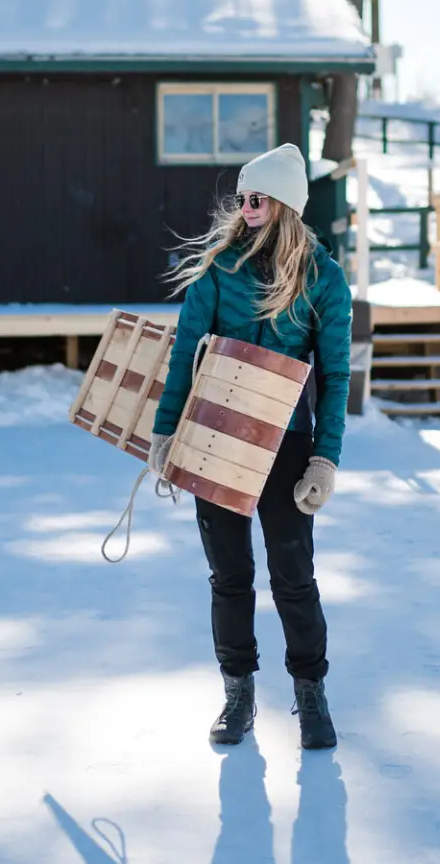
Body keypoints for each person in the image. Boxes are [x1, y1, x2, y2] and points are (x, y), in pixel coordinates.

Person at [149, 143, 352, 750]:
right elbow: (187, 351)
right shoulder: (221, 270)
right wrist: (166, 431)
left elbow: (336, 375)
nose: (246, 208)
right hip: (215, 439)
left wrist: (324, 457)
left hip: (286, 445)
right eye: (241, 198)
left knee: (295, 575)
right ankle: (238, 692)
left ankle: (310, 694)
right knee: (230, 574)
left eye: (257, 198)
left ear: (284, 204)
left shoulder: (324, 279)